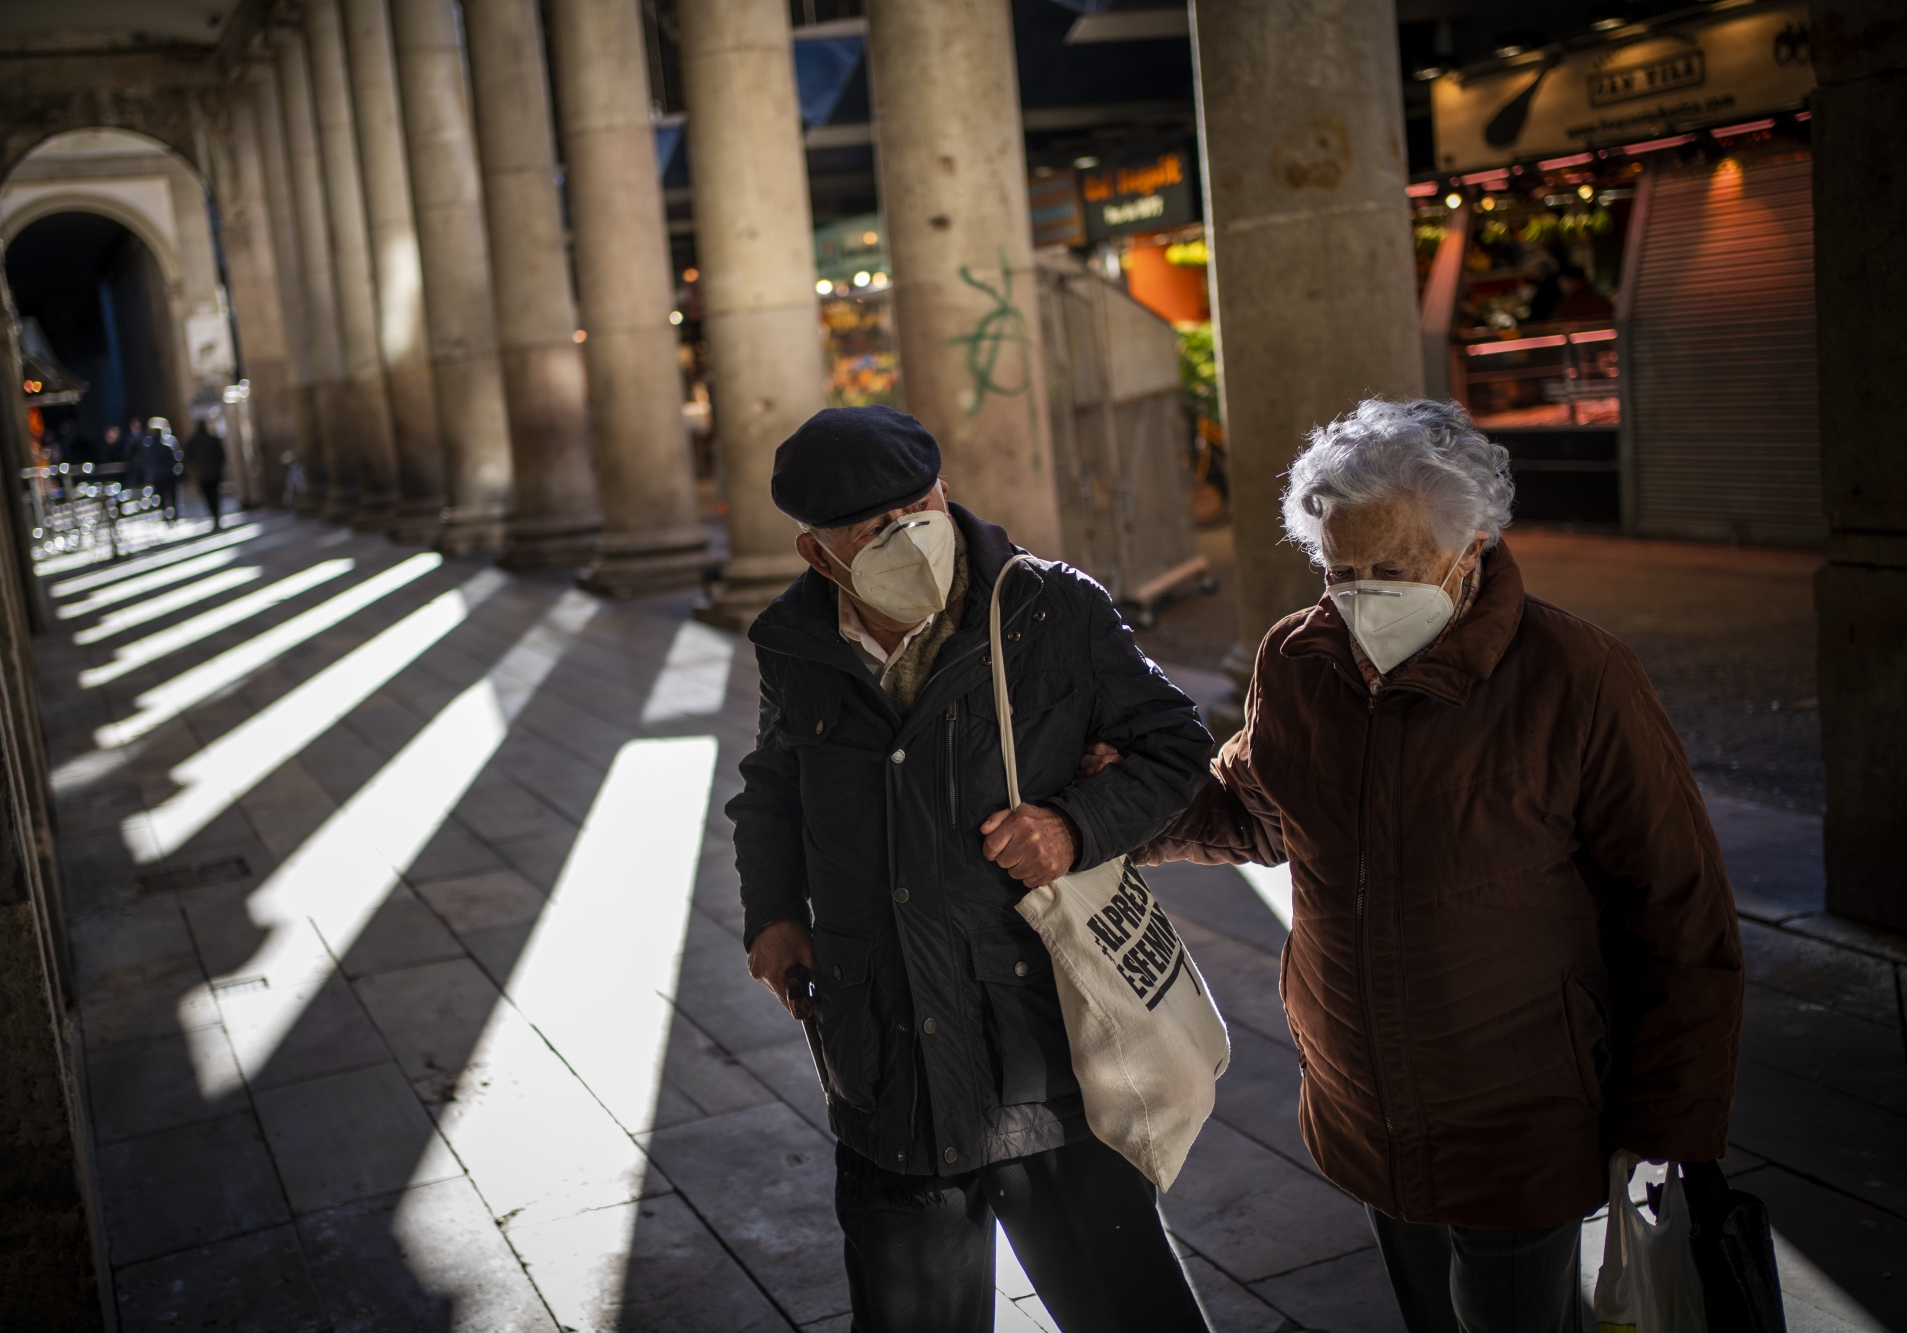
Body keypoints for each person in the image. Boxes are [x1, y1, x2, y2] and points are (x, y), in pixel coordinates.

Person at [1133, 398, 1742, 1332]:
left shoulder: (1576, 676)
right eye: (1341, 572)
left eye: (1394, 568)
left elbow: (1677, 912)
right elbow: (1256, 811)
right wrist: (1113, 816)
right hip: (1361, 1096)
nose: (1362, 594)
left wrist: (1667, 1125)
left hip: (1518, 1110)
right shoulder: (1299, 662)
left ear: (1473, 547)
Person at [728, 406, 1215, 1333]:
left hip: (1044, 1048)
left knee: (1128, 1307)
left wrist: (1074, 827)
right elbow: (772, 791)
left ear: (944, 492)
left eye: (917, 505)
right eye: (872, 528)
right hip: (886, 1057)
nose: (906, 537)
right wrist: (770, 911)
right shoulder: (792, 644)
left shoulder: (1048, 607)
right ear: (816, 550)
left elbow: (1174, 745)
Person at [183, 418, 227, 525]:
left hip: (202, 473)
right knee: (215, 494)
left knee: (207, 495)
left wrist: (194, 467)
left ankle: (213, 514)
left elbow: (187, 456)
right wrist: (218, 466)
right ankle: (216, 514)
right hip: (214, 472)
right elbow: (221, 455)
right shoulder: (212, 439)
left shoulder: (193, 440)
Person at [138, 416, 181, 522]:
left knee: (162, 496)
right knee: (171, 495)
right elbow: (173, 459)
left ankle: (166, 514)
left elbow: (145, 462)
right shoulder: (167, 443)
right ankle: (173, 514)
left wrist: (149, 474)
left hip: (157, 475)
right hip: (167, 473)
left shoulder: (148, 445)